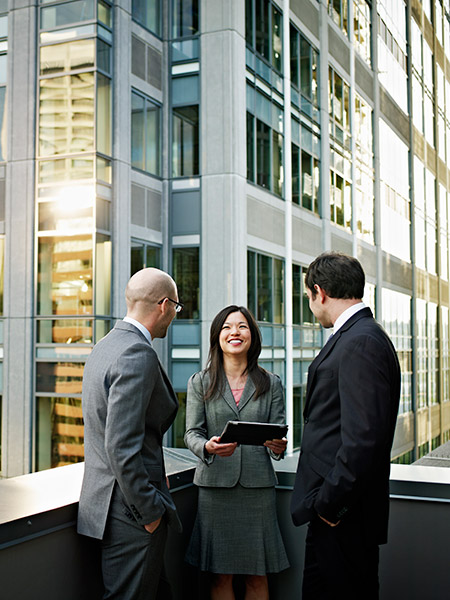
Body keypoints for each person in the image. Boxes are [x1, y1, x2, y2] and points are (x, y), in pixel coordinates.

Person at [290, 252, 401, 599]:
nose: (310, 304)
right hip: (336, 515)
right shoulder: (358, 336)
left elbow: (363, 439)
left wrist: (329, 506)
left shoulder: (361, 342)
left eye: (308, 297)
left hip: (343, 518)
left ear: (319, 292)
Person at [77, 268, 183, 600]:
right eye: (177, 309)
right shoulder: (138, 353)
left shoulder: (105, 344)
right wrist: (149, 513)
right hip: (131, 513)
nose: (174, 316)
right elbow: (120, 446)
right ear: (164, 305)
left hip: (105, 508)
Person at [184, 305, 290, 600]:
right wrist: (207, 446)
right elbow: (191, 433)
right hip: (215, 489)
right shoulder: (200, 382)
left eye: (242, 326)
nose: (235, 332)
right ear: (217, 336)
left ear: (252, 336)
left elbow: (278, 434)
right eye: (227, 327)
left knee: (258, 575)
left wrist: (277, 446)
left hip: (257, 490)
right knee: (220, 575)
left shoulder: (271, 383)